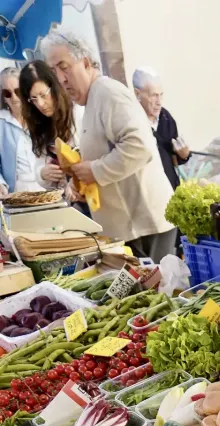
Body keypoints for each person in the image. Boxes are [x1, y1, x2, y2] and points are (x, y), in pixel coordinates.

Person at [42, 28, 175, 262]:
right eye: (54, 71)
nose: (61, 79)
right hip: (130, 227)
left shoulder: (108, 92)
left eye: (64, 67)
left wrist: (95, 171)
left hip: (145, 226)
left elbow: (139, 146)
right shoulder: (93, 98)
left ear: (85, 62)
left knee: (157, 294)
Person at [19, 61, 76, 192]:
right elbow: (40, 167)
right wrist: (43, 174)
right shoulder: (39, 125)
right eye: (33, 99)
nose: (40, 104)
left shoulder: (77, 113)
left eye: (43, 95)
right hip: (64, 200)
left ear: (55, 87)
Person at [132, 67, 190, 192]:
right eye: (153, 95)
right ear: (137, 94)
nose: (159, 102)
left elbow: (172, 157)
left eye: (161, 95)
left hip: (171, 191)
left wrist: (183, 155)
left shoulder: (166, 118)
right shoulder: (131, 123)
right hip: (148, 194)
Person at [0, 67, 46, 195]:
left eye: (17, 91)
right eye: (7, 93)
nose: (13, 97)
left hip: (48, 190)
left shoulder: (40, 116)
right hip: (18, 195)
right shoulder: (1, 122)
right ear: (3, 97)